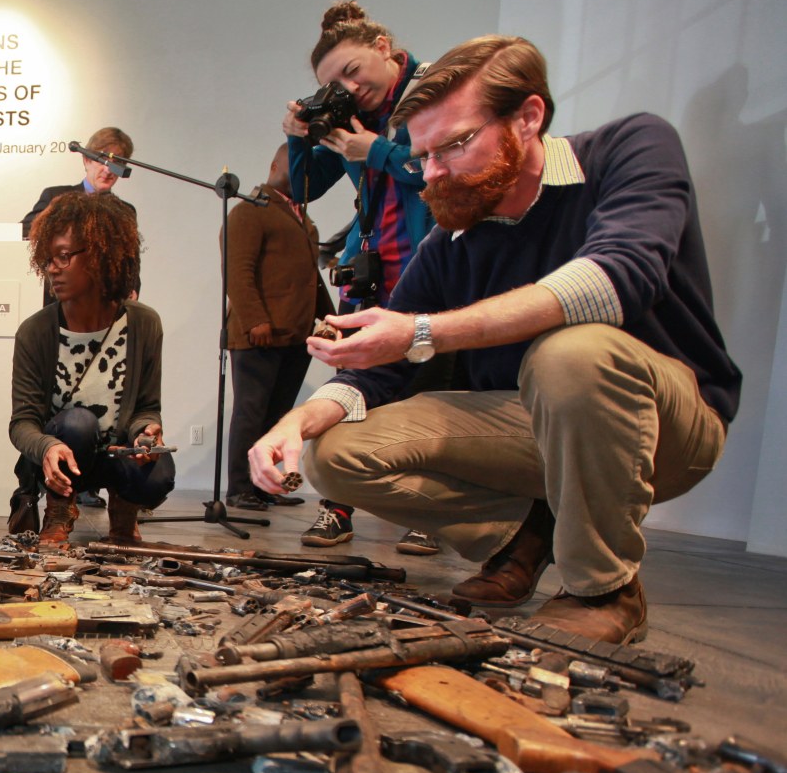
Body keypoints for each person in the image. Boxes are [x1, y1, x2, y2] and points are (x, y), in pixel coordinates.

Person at [249, 35, 740, 645]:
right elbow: (379, 367)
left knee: (570, 354)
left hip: (666, 422)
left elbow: (617, 279)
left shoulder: (627, 149)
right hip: (532, 426)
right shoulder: (452, 238)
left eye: (451, 146)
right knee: (336, 451)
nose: (431, 175)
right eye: (423, 155)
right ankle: (520, 540)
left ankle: (603, 588)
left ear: (528, 118)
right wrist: (297, 422)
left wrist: (425, 332)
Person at [284, 0, 438, 553]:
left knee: (430, 385)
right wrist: (301, 134)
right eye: (333, 83)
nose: (348, 86)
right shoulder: (351, 117)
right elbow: (303, 186)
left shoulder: (435, 90)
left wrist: (377, 152)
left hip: (430, 265)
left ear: (384, 48)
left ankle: (428, 511)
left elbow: (445, 168)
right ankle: (336, 508)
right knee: (352, 378)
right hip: (369, 268)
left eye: (352, 70)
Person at [11, 190, 174, 547]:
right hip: (63, 457)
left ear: (102, 257)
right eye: (48, 257)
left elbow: (146, 404)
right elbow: (21, 423)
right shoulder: (36, 331)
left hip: (116, 453)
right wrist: (47, 446)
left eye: (64, 257)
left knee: (158, 471)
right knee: (78, 423)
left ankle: (124, 513)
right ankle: (59, 512)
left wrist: (146, 431)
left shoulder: (144, 324)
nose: (52, 267)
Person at [15, 125, 139, 518]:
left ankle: (105, 487)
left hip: (106, 315)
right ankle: (67, 481)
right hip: (66, 317)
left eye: (119, 164)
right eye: (103, 159)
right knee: (69, 410)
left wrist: (130, 290)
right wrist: (69, 215)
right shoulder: (56, 198)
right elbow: (29, 231)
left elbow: (130, 262)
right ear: (86, 159)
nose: (110, 169)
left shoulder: (125, 212)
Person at [223, 145, 333, 511]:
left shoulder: (302, 218)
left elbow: (310, 277)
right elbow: (237, 271)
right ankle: (240, 488)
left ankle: (265, 486)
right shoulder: (249, 211)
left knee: (279, 415)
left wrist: (328, 318)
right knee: (250, 413)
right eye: (297, 165)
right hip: (257, 336)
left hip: (294, 334)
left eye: (309, 170)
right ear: (274, 165)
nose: (305, 173)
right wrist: (255, 320)